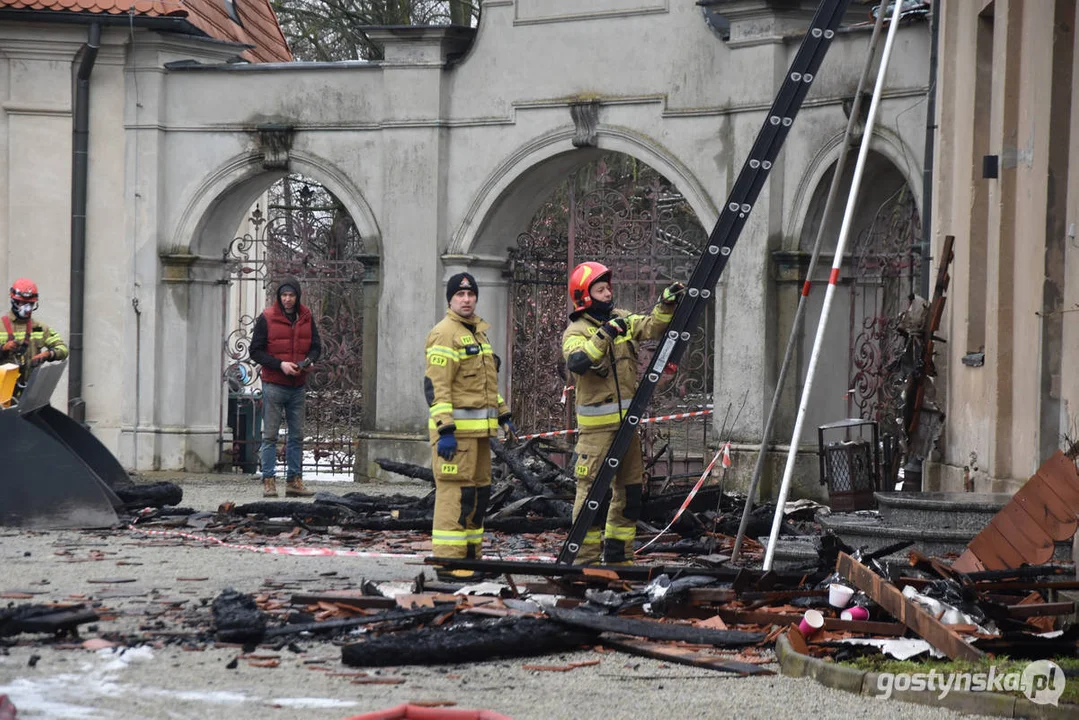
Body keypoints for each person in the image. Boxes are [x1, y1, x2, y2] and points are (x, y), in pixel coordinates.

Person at [561, 262, 684, 564]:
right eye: (600, 290)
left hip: (627, 429)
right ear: (584, 296)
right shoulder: (576, 331)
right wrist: (603, 335)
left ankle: (618, 558)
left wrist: (665, 304)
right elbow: (578, 361)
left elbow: (651, 326)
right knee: (593, 497)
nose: (608, 293)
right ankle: (584, 561)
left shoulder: (622, 319)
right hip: (597, 434)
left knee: (629, 494)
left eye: (608, 288)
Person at [424, 272, 514, 581]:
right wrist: (445, 429)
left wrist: (502, 413)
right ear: (450, 299)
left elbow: (484, 387)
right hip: (455, 437)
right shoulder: (444, 333)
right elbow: (437, 387)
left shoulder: (477, 333)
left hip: (478, 437)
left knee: (478, 497)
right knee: (455, 498)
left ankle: (471, 560)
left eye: (470, 294)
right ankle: (450, 564)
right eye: (460, 295)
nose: (466, 299)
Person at [250, 277, 321, 498]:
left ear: (297, 296)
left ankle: (294, 481)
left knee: (297, 436)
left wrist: (308, 361)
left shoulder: (307, 317)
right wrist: (280, 365)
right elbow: (256, 351)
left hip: (298, 385)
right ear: (279, 297)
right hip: (274, 384)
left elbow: (316, 347)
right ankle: (269, 481)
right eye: (284, 295)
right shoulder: (267, 318)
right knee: (270, 435)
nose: (287, 299)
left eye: (291, 295)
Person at [0, 278, 69, 398]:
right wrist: (3, 349)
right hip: (3, 393)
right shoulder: (1, 326)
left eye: (31, 304)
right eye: (23, 303)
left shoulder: (39, 328)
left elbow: (63, 349)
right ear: (14, 301)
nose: (27, 308)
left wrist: (48, 354)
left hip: (29, 394)